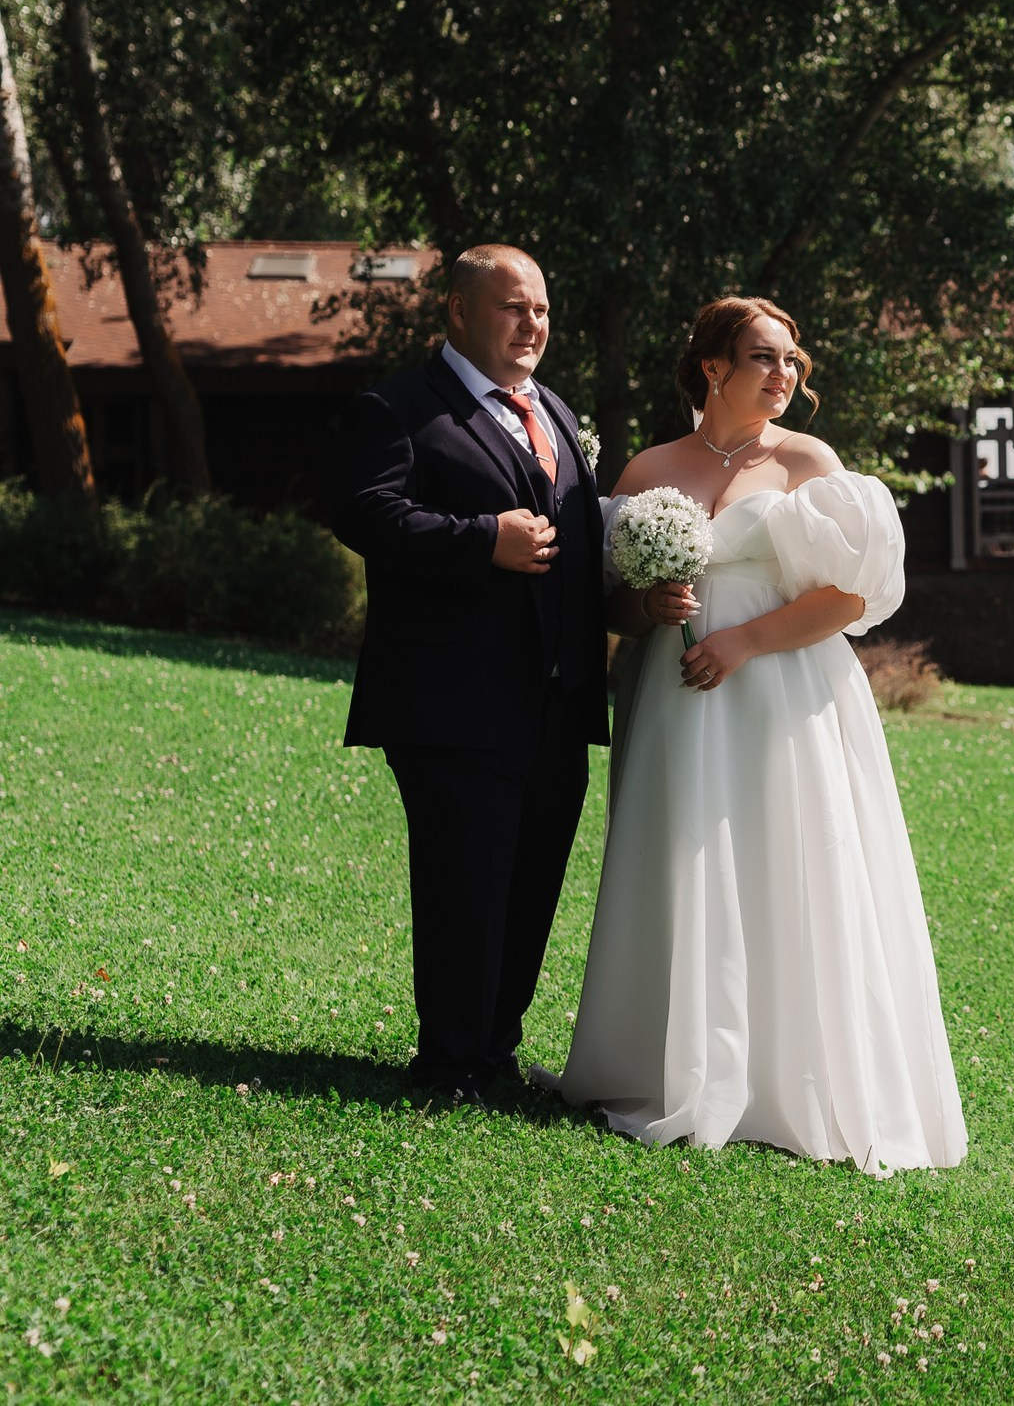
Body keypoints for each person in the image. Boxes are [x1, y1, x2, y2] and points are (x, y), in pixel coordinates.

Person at [552, 296, 966, 1170]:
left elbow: (849, 599)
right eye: (765, 358)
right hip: (671, 694)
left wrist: (742, 640)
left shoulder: (808, 460)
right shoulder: (651, 465)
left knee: (789, 856)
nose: (785, 376)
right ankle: (663, 1063)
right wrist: (648, 604)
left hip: (784, 692)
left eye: (791, 361)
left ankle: (791, 1077)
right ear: (714, 368)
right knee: (679, 858)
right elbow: (611, 599)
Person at [330, 245, 607, 1104]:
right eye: (512, 307)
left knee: (529, 883)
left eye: (543, 309)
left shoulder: (552, 410)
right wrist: (483, 538)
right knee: (463, 883)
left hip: (554, 700)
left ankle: (494, 1047)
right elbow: (366, 513)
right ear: (458, 311)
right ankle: (448, 1062)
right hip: (451, 700)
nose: (533, 325)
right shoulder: (402, 406)